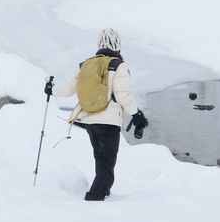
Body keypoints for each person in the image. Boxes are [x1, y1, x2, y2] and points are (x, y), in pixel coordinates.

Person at [45, 27, 148, 201]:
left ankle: (102, 191)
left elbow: (67, 88)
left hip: (89, 120)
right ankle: (95, 197)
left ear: (100, 44)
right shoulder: (119, 66)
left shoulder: (85, 64)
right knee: (107, 161)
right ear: (118, 45)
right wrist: (137, 115)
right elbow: (123, 95)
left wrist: (51, 89)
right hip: (108, 122)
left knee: (100, 158)